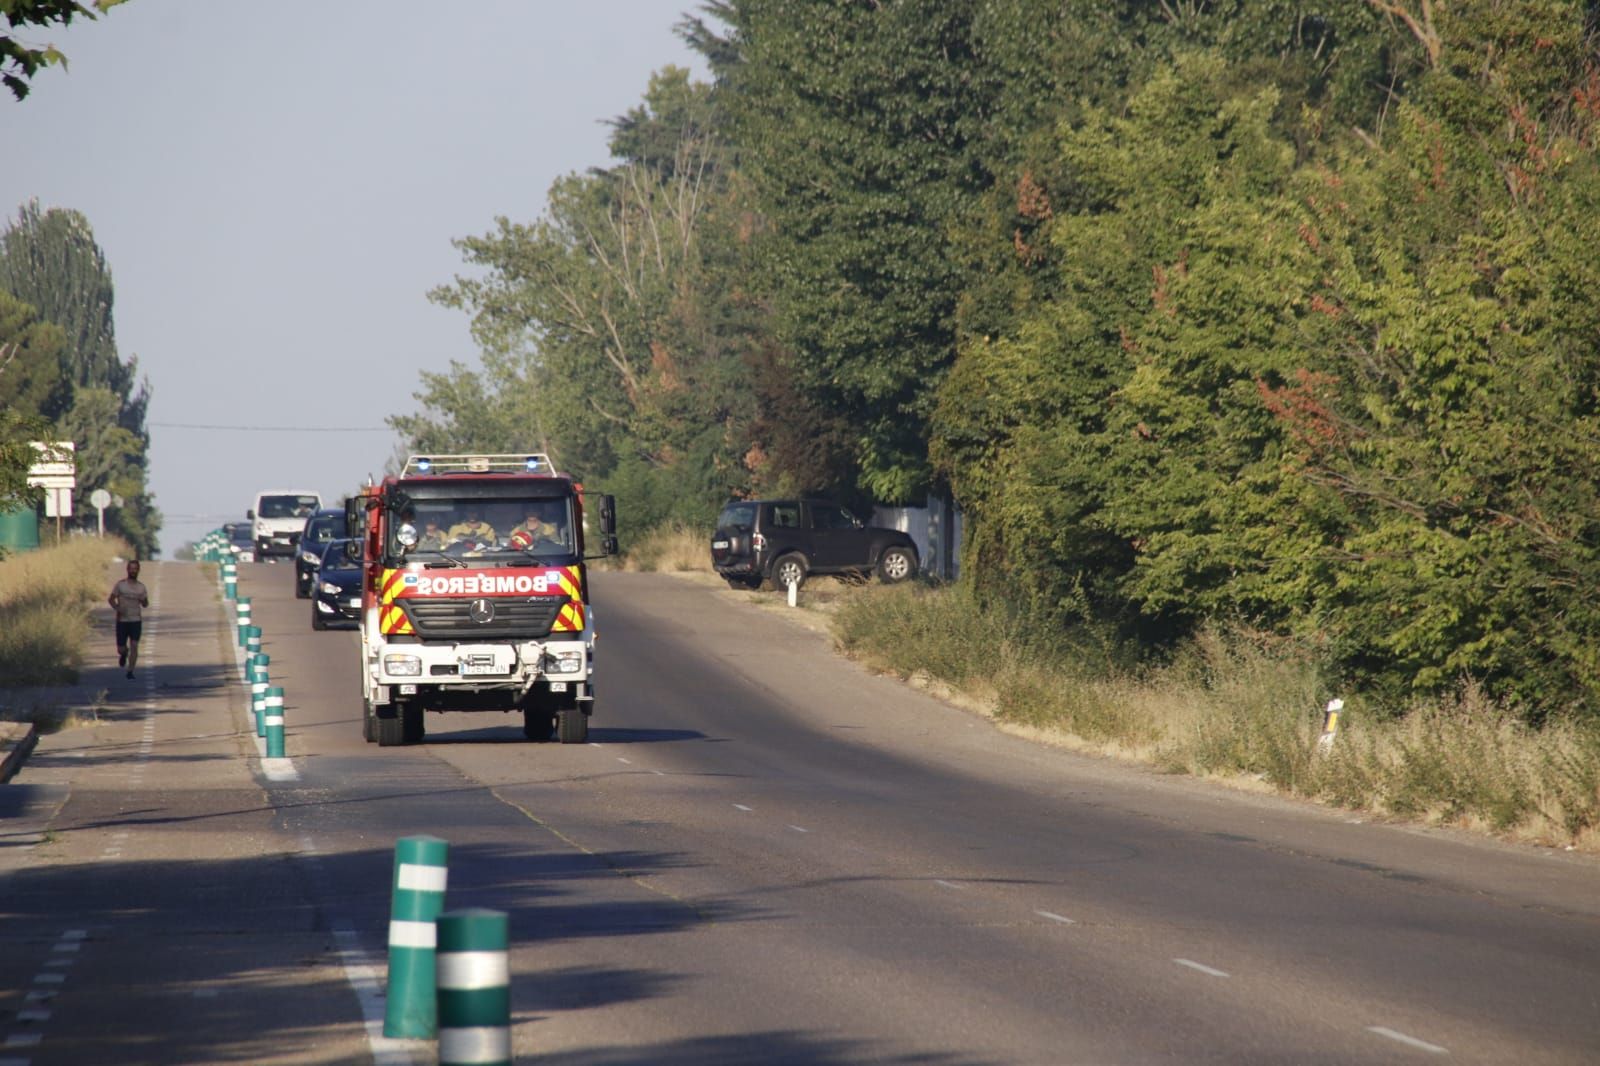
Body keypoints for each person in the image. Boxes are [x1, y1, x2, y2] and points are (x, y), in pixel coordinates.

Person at [108, 559, 149, 680]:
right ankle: (124, 654)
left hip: (136, 620)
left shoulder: (141, 587)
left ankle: (130, 671)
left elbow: (145, 604)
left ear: (138, 570)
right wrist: (117, 608)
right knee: (121, 648)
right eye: (131, 568)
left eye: (135, 569)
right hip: (122, 621)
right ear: (127, 570)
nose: (133, 571)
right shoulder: (120, 585)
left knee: (135, 645)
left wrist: (143, 599)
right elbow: (111, 599)